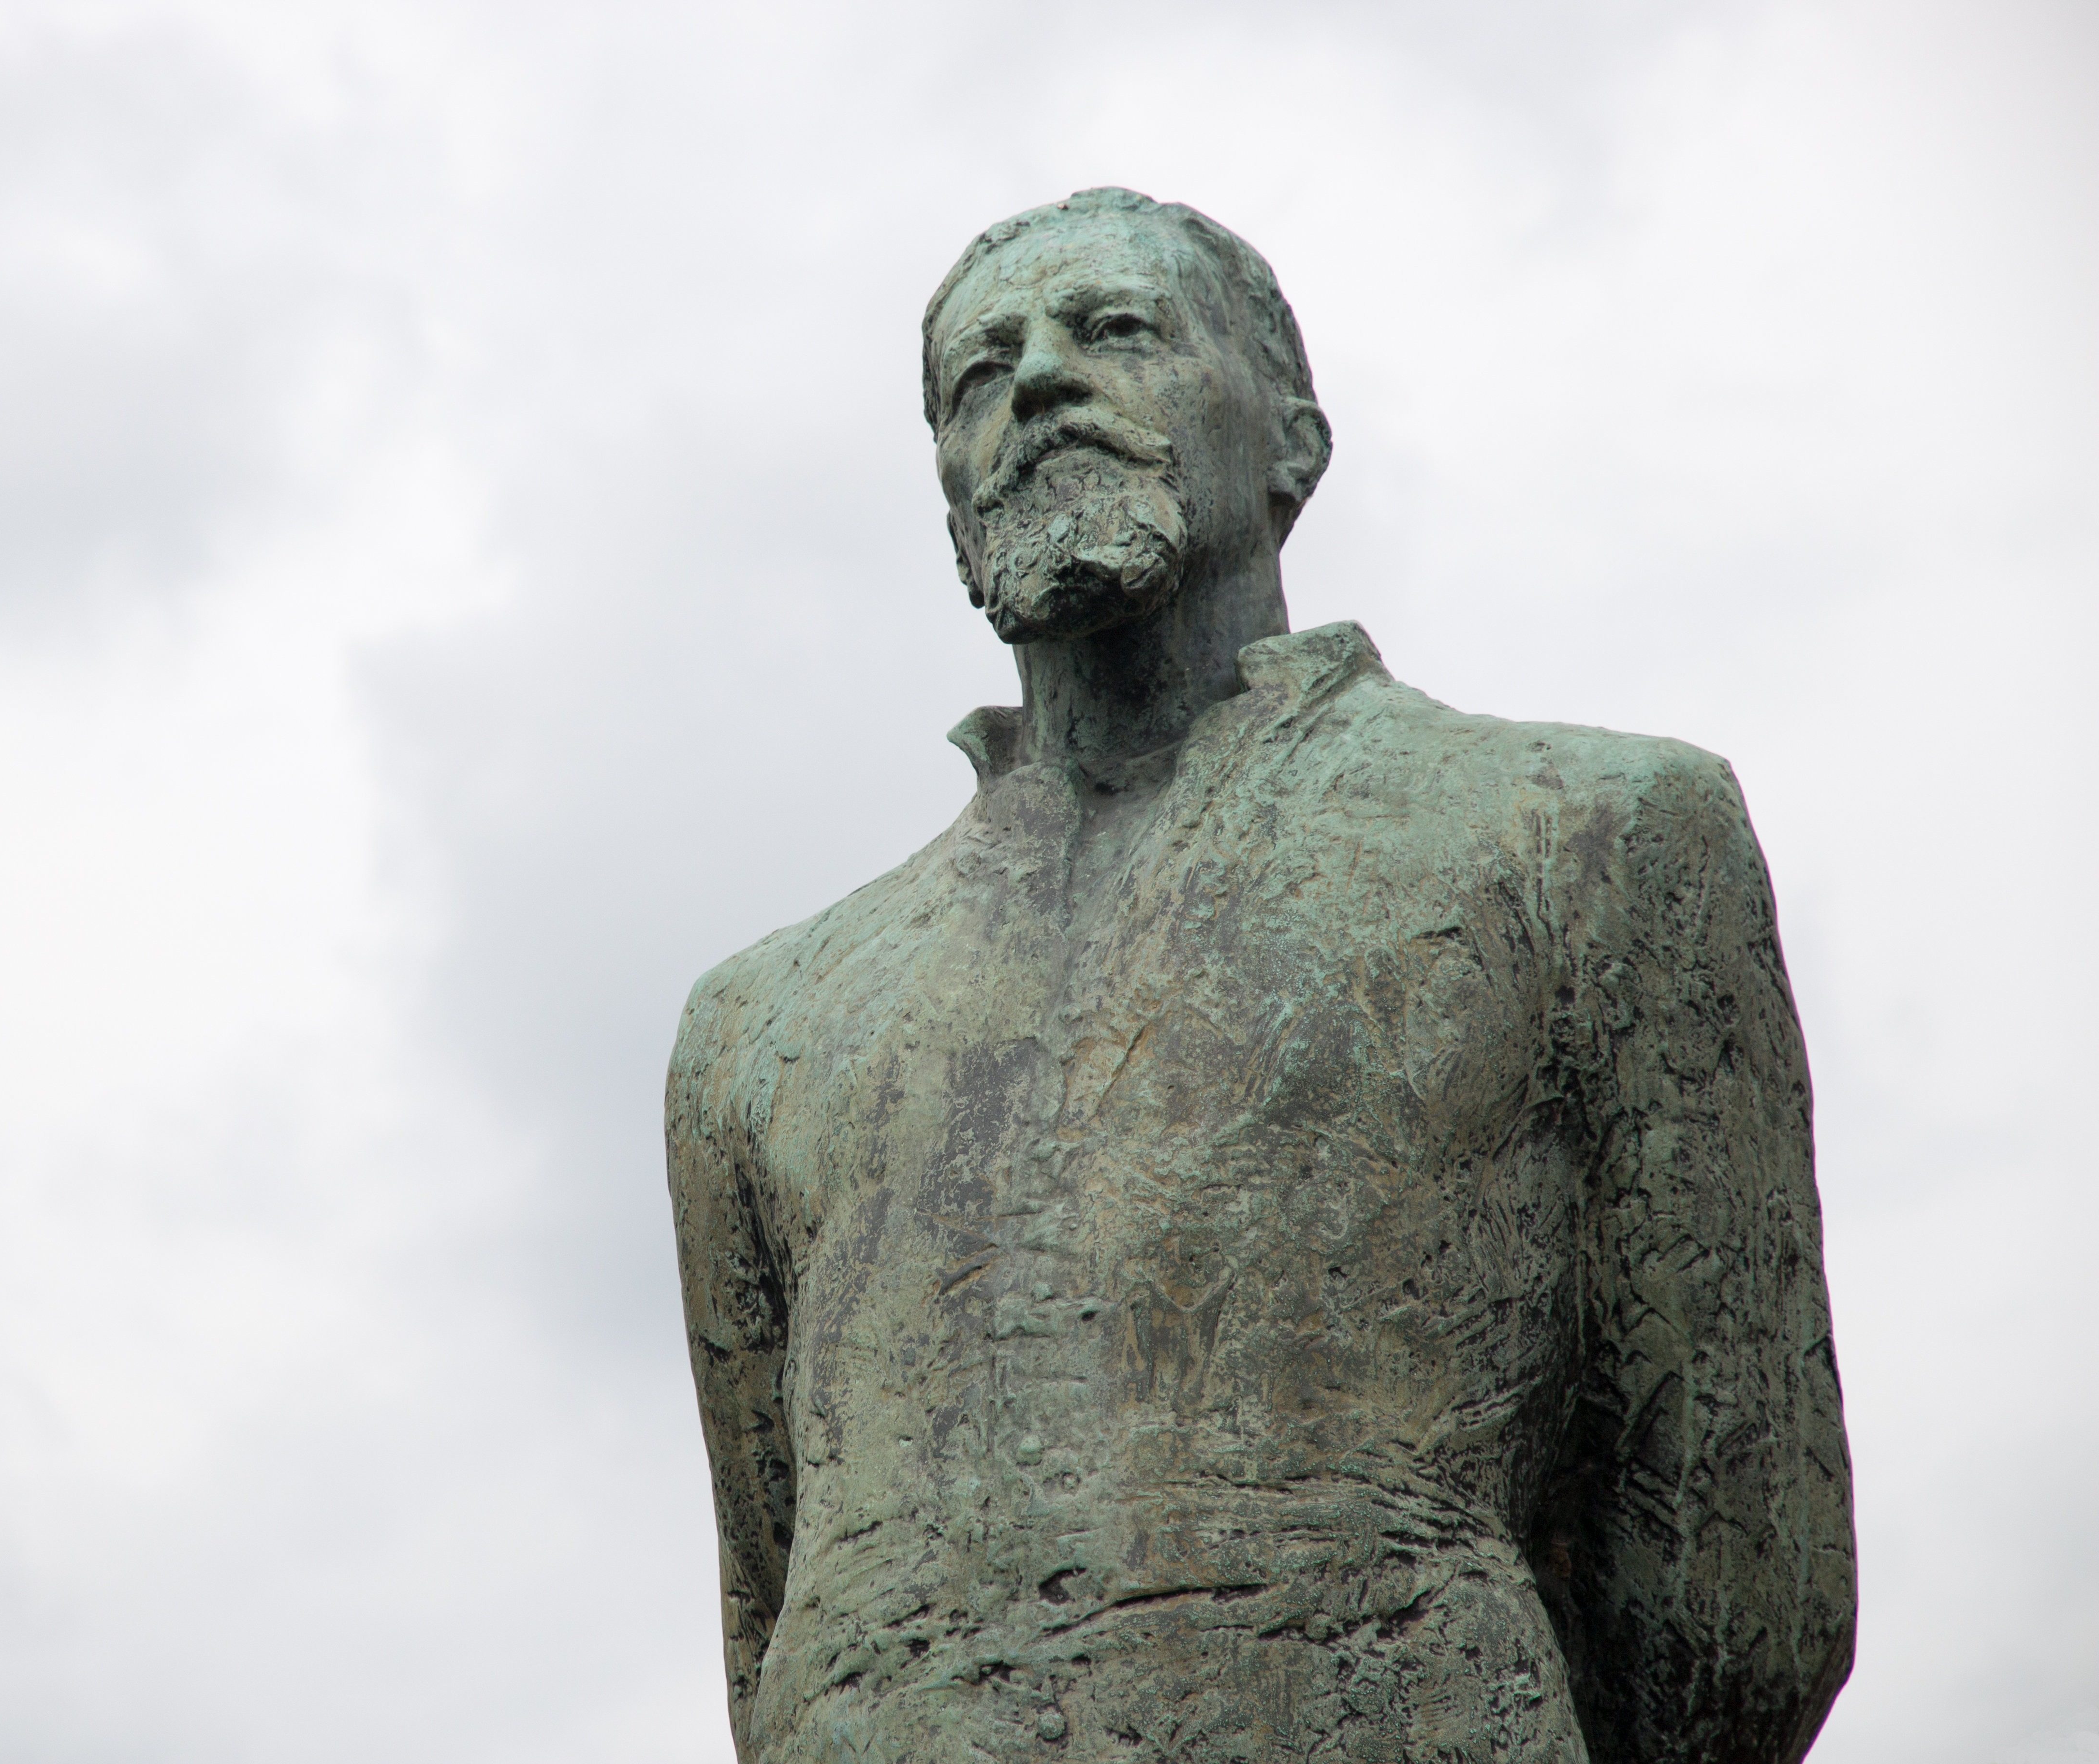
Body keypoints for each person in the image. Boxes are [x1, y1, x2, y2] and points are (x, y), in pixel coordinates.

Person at [666, 187, 1854, 1764]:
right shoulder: (760, 1029)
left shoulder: (1598, 836)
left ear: (1293, 440)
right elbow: (776, 1610)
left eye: (1112, 331)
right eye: (975, 378)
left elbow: (1733, 1605)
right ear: (952, 515)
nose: (1033, 384)